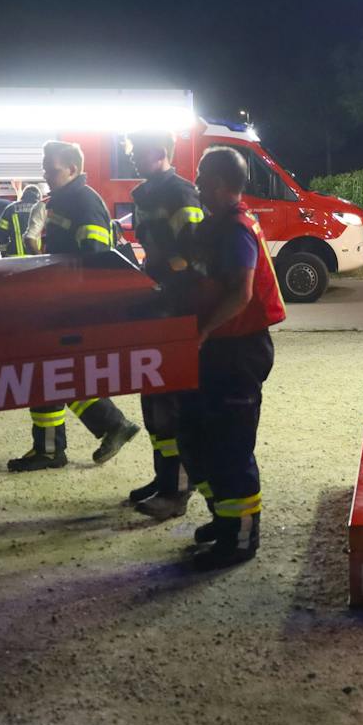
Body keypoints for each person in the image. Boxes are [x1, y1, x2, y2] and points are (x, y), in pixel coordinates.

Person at [176, 146, 286, 569]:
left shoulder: (236, 230)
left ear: (219, 183)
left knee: (231, 448)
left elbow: (241, 295)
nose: (197, 180)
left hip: (238, 351)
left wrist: (203, 330)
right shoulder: (215, 225)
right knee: (198, 437)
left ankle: (241, 539)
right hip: (217, 350)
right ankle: (224, 520)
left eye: (202, 175)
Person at [6, 140, 141, 472]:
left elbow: (94, 260)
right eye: (45, 167)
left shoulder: (83, 201)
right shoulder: (64, 201)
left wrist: (75, 306)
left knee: (53, 370)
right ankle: (57, 445)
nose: (45, 173)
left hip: (75, 307)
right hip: (59, 304)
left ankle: (99, 430)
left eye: (51, 168)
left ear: (73, 169)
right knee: (48, 370)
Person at [125, 132, 204, 519]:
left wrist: (167, 281)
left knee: (170, 402)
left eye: (138, 151)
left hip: (176, 307)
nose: (133, 157)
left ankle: (176, 490)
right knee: (153, 398)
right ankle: (163, 478)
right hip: (157, 304)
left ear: (159, 153)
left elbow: (192, 255)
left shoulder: (180, 193)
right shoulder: (146, 194)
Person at [0, 184, 42, 257]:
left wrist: (3, 251)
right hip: (35, 257)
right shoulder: (41, 209)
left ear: (23, 195)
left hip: (14, 257)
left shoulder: (11, 208)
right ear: (39, 197)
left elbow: (0, 232)